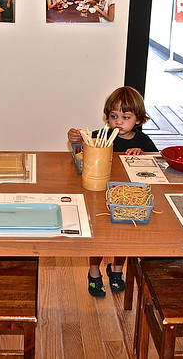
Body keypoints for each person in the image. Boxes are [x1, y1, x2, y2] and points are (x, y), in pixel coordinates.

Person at [67, 86, 157, 297]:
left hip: (126, 196)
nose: (118, 122)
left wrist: (141, 155)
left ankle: (116, 269)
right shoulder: (100, 136)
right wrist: (76, 139)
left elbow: (155, 161)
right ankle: (93, 270)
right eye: (113, 116)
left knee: (124, 236)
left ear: (138, 119)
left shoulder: (143, 141)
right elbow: (81, 150)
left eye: (125, 117)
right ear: (107, 117)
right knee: (99, 236)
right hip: (99, 192)